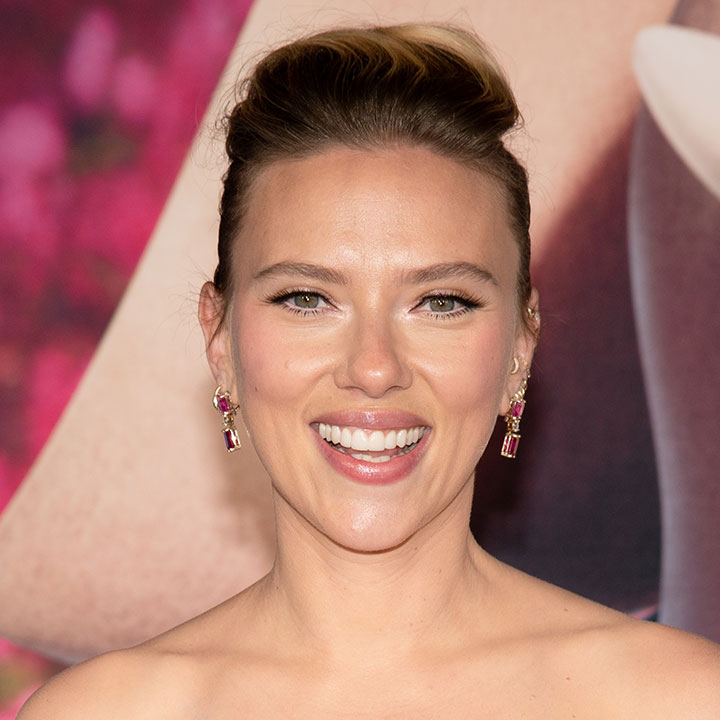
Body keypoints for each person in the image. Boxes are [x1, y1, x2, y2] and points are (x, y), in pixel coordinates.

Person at [18, 23, 720, 718]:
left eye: (441, 302)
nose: (375, 368)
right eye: (307, 299)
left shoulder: (681, 701)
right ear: (221, 340)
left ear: (520, 349)